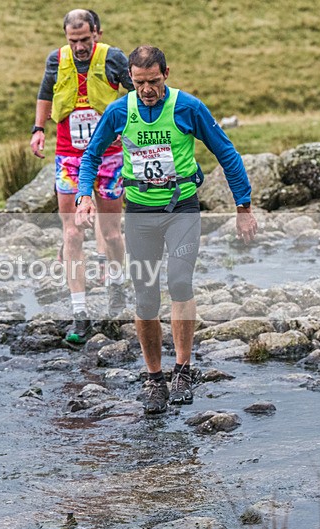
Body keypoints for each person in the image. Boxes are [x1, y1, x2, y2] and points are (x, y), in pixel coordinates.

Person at [75, 46, 258, 415]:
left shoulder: (188, 107)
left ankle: (183, 370)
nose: (147, 89)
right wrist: (83, 195)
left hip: (182, 209)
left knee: (178, 283)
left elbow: (226, 152)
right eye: (140, 82)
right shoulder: (119, 110)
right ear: (131, 78)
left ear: (166, 74)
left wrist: (244, 208)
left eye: (154, 81)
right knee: (144, 297)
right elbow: (91, 155)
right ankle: (154, 377)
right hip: (140, 211)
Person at [31, 8, 134, 343]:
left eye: (85, 39)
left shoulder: (113, 58)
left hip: (109, 158)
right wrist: (38, 129)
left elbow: (139, 94)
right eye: (73, 40)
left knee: (111, 233)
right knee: (72, 234)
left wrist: (129, 126)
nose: (79, 47)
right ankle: (80, 314)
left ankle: (117, 283)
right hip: (69, 158)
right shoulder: (55, 60)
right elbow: (45, 94)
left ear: (97, 34)